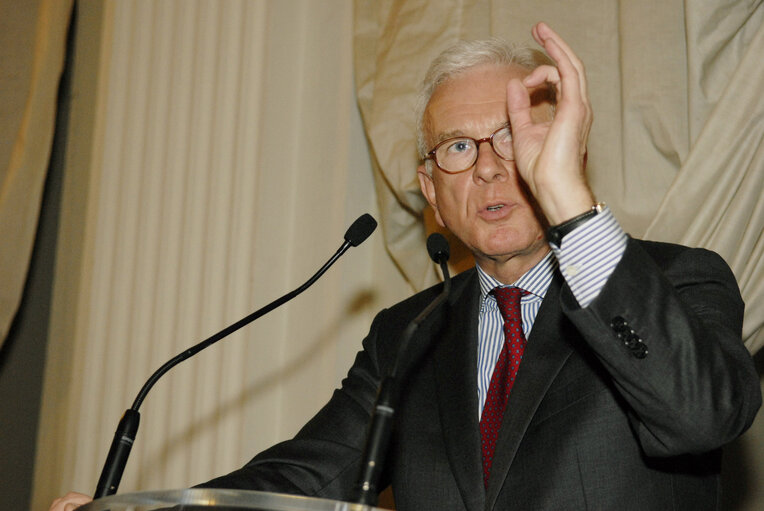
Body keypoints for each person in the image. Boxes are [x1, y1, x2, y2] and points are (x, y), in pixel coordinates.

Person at [50, 22, 760, 510]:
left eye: (513, 138)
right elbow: (306, 477)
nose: (488, 168)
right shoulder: (409, 332)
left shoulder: (678, 279)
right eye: (457, 147)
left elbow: (702, 416)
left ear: (563, 148)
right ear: (432, 193)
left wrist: (573, 207)